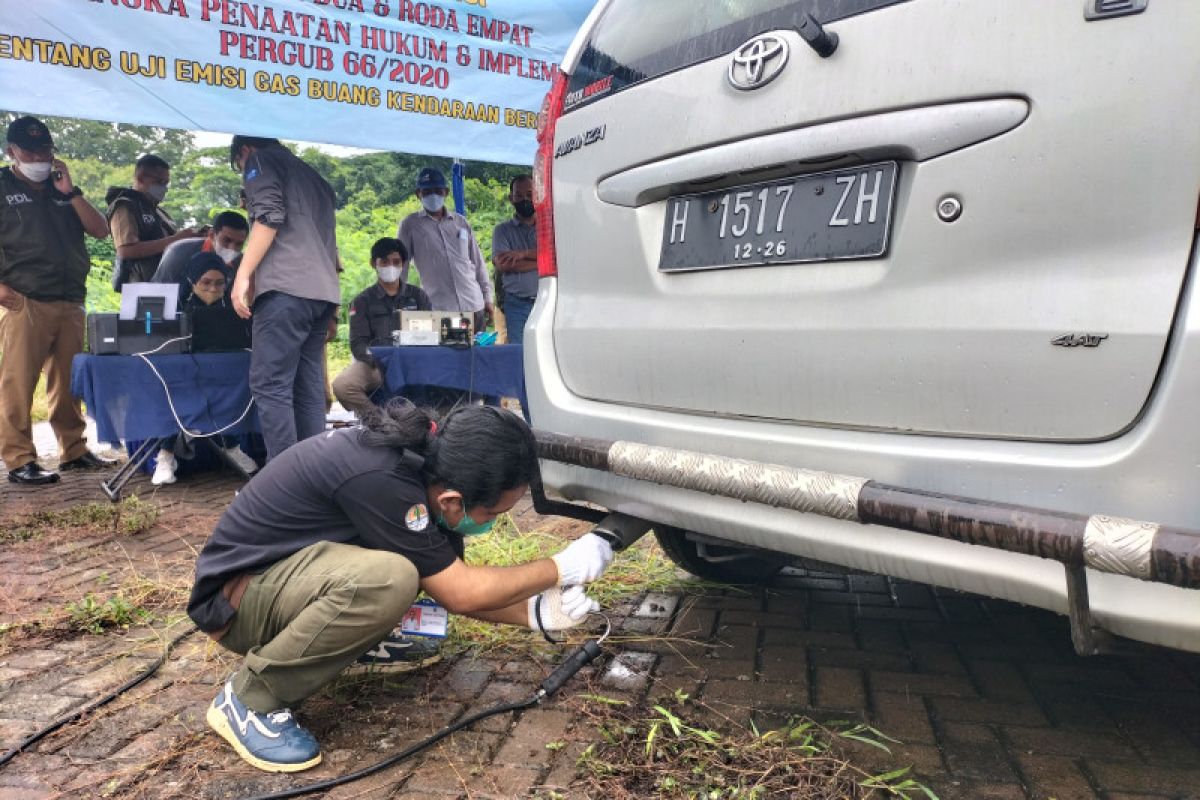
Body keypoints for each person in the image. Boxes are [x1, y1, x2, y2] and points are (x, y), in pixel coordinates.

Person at [189, 402, 613, 772]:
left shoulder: (428, 468)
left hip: (285, 581)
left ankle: (352, 641)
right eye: (494, 513)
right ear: (453, 501)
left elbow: (450, 583)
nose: (494, 521)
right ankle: (250, 699)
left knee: (401, 574)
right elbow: (459, 591)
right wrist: (559, 567)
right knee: (388, 580)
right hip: (239, 604)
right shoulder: (383, 478)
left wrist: (537, 613)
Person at [0, 115, 114, 485]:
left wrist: (71, 192)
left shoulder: (61, 188)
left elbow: (100, 230)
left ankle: (74, 450)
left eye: (46, 150)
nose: (40, 158)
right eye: (30, 151)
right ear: (11, 152)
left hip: (70, 298)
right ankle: (19, 459)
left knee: (68, 383)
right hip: (25, 299)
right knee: (19, 382)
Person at [228, 135, 341, 462]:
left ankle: (284, 486)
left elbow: (269, 216)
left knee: (270, 385)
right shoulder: (312, 175)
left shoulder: (259, 161)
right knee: (307, 388)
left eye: (239, 165)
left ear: (245, 151)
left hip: (286, 289)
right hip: (321, 293)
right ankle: (312, 476)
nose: (242, 170)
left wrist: (243, 275)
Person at [151, 252, 257, 486]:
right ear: (192, 281)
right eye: (206, 283)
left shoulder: (234, 309)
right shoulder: (175, 309)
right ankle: (166, 456)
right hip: (183, 378)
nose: (212, 289)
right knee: (172, 393)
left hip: (221, 375)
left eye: (219, 283)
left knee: (231, 390)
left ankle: (231, 446)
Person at [332, 237, 431, 418]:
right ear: (373, 264)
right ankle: (379, 421)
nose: (390, 267)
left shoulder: (418, 296)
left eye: (396, 262)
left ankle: (433, 423)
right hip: (376, 365)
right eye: (384, 262)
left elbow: (432, 334)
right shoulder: (362, 301)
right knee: (342, 385)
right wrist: (378, 359)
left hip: (413, 363)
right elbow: (358, 343)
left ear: (403, 264)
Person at [397, 167, 492, 333]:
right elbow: (401, 266)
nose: (432, 195)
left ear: (446, 192)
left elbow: (477, 263)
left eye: (437, 190)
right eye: (426, 191)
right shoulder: (410, 225)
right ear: (418, 194)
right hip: (441, 309)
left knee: (478, 357)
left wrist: (487, 298)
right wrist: (397, 301)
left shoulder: (460, 222)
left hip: (474, 304)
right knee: (449, 357)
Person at [106, 154, 202, 289]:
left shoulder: (159, 212)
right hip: (140, 287)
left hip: (165, 284)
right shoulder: (125, 206)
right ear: (140, 178)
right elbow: (126, 251)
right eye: (159, 182)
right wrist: (176, 239)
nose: (164, 188)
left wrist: (191, 237)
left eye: (166, 183)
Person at [491, 175, 538, 345]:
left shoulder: (549, 227)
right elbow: (504, 265)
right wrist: (542, 261)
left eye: (529, 194)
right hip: (517, 305)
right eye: (519, 195)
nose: (525, 199)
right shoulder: (502, 231)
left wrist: (522, 254)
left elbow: (558, 257)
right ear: (511, 198)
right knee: (519, 354)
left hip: (547, 302)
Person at [151, 210, 249, 285]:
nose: (232, 248)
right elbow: (158, 290)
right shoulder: (179, 252)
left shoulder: (242, 264)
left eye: (239, 244)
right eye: (227, 240)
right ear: (211, 235)